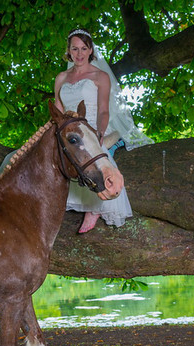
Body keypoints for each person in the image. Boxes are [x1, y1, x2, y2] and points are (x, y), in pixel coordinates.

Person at [54, 28, 152, 233]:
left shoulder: (100, 76)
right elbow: (58, 109)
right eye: (74, 49)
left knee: (94, 156)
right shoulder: (61, 78)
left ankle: (96, 205)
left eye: (84, 48)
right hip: (68, 130)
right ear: (68, 51)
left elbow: (104, 111)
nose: (79, 54)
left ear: (90, 50)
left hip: (92, 127)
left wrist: (98, 133)